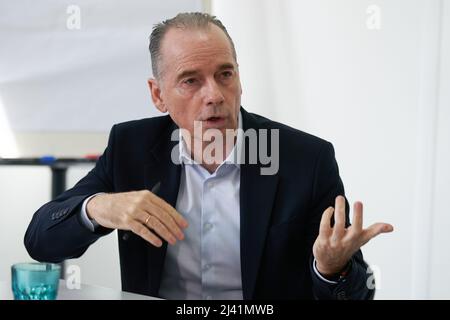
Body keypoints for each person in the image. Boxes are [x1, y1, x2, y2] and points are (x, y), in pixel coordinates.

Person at [24, 12, 393, 300]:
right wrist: (99, 207)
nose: (214, 94)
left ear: (240, 79)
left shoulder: (304, 159)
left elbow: (358, 293)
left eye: (225, 74)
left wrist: (330, 269)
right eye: (191, 80)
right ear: (158, 95)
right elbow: (40, 241)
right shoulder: (130, 147)